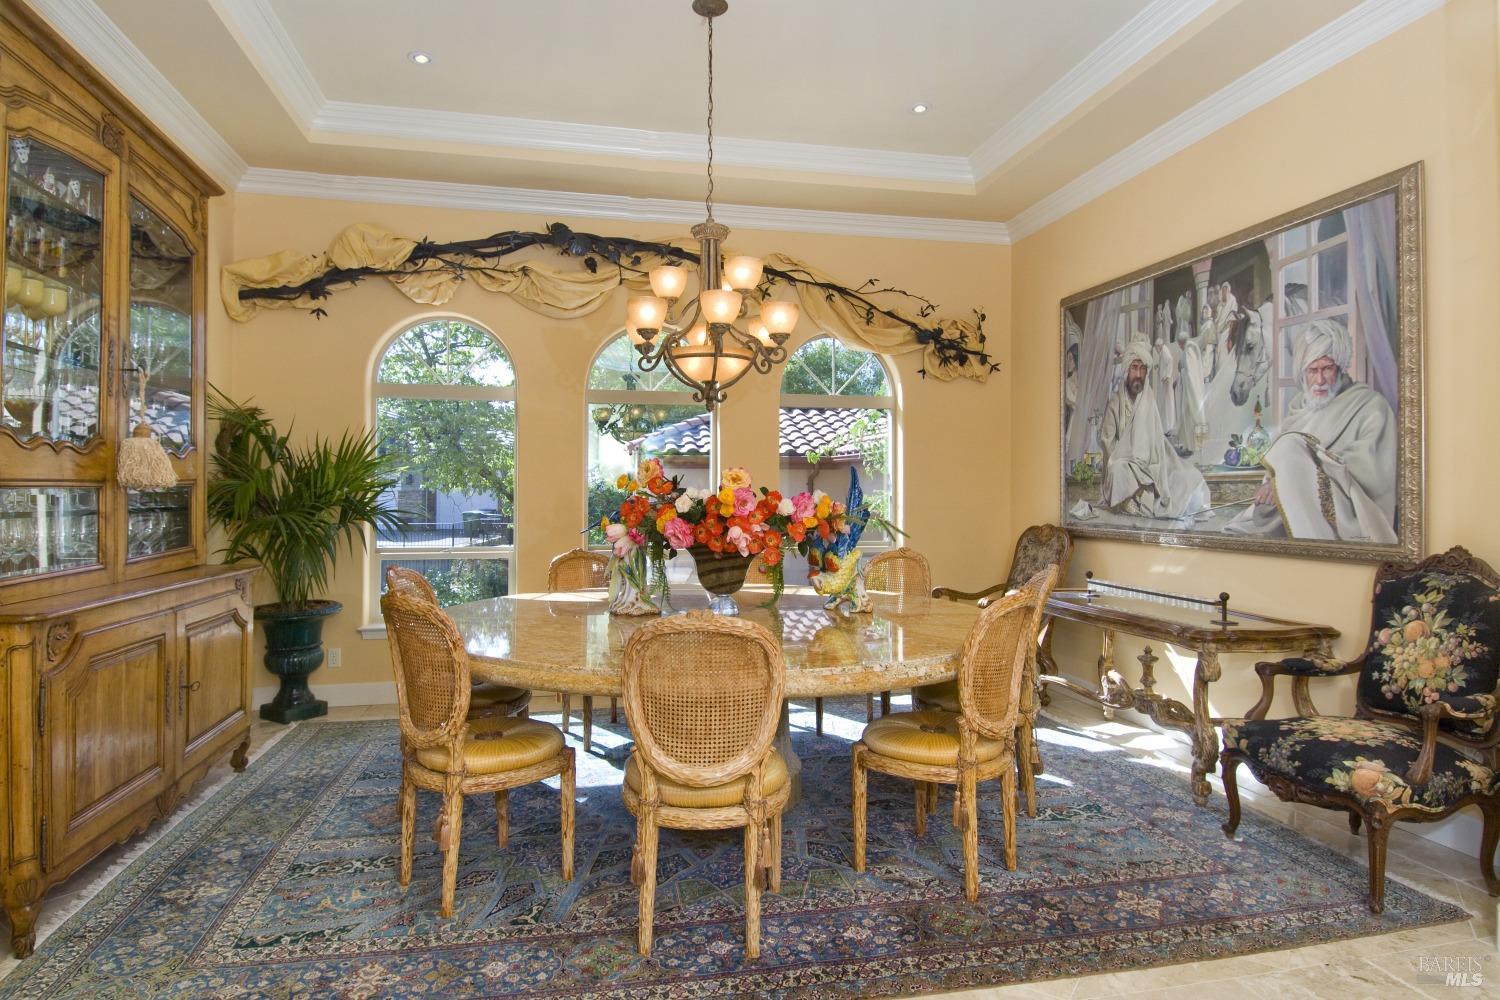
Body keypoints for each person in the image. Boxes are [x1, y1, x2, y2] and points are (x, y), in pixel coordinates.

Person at [1224, 320, 1397, 542]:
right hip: (1296, 506)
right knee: (1238, 529)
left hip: (1351, 513)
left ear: (1340, 367)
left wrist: (1289, 479)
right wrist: (1275, 484)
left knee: (1290, 445)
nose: (1320, 380)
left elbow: (1371, 472)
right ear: (1302, 372)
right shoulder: (1299, 408)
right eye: (1312, 370)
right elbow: (1280, 469)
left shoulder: (1371, 406)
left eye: (1327, 368)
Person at [1098, 342, 1210, 521]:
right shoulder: (1115, 404)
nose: (1138, 374)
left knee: (1189, 477)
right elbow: (1107, 443)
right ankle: (1129, 499)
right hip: (1126, 464)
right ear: (1127, 370)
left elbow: (1157, 438)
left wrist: (1152, 463)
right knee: (1118, 470)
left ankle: (1139, 497)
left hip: (1153, 461)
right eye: (1134, 368)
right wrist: (1122, 460)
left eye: (1142, 369)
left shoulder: (1148, 398)